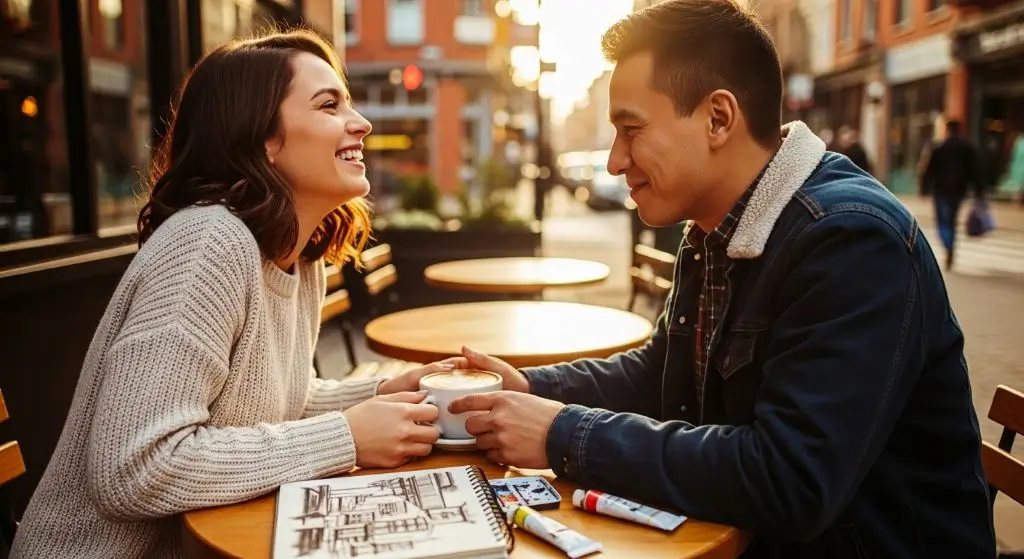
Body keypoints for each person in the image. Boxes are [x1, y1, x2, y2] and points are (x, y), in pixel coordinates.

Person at [389, 1, 996, 557]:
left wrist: (562, 434)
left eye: (632, 129)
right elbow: (663, 371)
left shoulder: (851, 241)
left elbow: (788, 480)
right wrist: (531, 386)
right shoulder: (717, 227)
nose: (613, 160)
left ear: (718, 118)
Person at [10, 29, 451, 558]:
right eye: (329, 105)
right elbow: (134, 467)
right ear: (262, 138)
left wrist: (378, 395)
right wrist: (345, 438)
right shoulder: (206, 245)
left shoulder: (296, 253)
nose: (362, 123)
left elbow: (271, 402)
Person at [922, 119, 985, 269]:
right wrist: (978, 190)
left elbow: (929, 171)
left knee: (942, 221)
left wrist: (924, 188)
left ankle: (948, 244)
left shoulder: (938, 148)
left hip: (941, 190)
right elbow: (975, 171)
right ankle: (950, 246)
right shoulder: (967, 149)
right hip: (958, 190)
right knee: (951, 220)